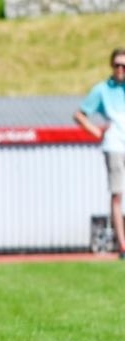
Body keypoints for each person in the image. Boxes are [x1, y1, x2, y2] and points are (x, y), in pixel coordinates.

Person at [73, 47, 125, 259]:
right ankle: (123, 245)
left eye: (124, 65)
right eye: (117, 65)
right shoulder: (102, 90)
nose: (121, 69)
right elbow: (80, 115)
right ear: (111, 66)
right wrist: (96, 131)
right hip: (115, 146)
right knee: (117, 195)